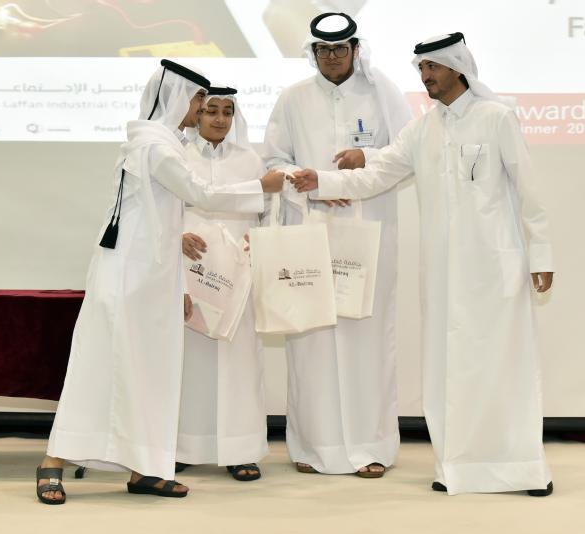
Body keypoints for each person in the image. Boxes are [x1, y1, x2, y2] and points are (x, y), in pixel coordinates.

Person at [290, 32, 555, 496]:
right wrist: (321, 181)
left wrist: (542, 254)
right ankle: (456, 467)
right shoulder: (422, 129)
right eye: (421, 69)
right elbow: (378, 173)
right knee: (448, 369)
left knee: (503, 365)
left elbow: (529, 190)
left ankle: (523, 468)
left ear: (456, 67)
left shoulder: (497, 118)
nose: (425, 76)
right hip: (442, 274)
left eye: (432, 68)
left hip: (496, 269)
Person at [35, 60, 284, 505]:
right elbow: (201, 195)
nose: (200, 108)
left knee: (148, 375)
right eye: (197, 99)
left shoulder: (160, 142)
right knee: (98, 371)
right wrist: (260, 186)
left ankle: (144, 470)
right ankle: (51, 463)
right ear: (175, 98)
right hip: (128, 278)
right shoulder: (155, 148)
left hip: (151, 276)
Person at [262, 12, 411, 477]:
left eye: (340, 49)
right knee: (311, 340)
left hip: (369, 229)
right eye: (323, 50)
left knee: (367, 339)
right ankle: (313, 446)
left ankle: (371, 448)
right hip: (310, 229)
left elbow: (410, 153)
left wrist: (365, 156)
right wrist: (310, 183)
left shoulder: (384, 93)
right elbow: (273, 161)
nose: (331, 57)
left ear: (355, 50)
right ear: (313, 52)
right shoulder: (293, 98)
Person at [175, 86, 269, 482]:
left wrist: (259, 239)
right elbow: (162, 207)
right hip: (189, 267)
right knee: (190, 360)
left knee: (239, 360)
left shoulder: (250, 159)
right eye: (211, 110)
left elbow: (268, 211)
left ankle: (240, 450)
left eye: (227, 111)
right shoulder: (178, 154)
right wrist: (175, 237)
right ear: (196, 113)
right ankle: (184, 446)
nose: (219, 119)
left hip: (238, 271)